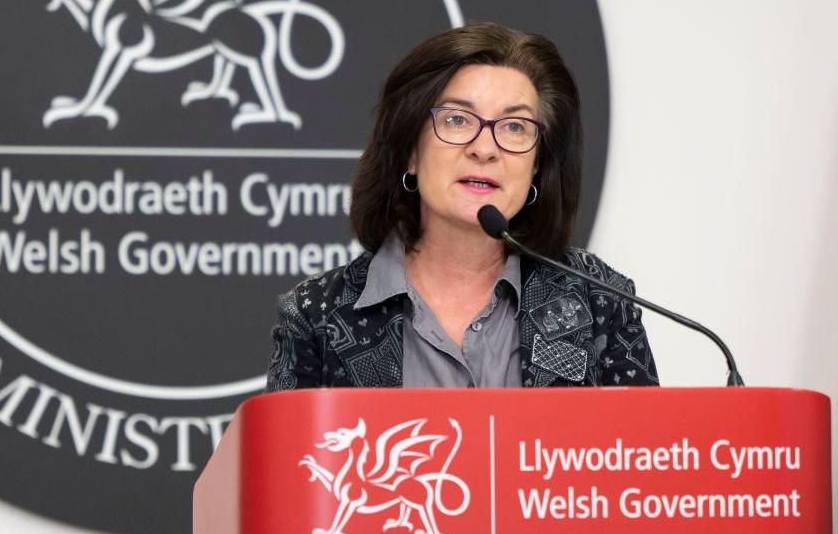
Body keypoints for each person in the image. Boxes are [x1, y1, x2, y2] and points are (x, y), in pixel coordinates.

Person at [266, 22, 658, 391]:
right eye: (456, 120)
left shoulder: (599, 300)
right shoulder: (316, 316)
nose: (484, 149)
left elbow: (640, 456)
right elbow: (288, 460)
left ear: (537, 165)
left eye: (515, 127)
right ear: (410, 153)